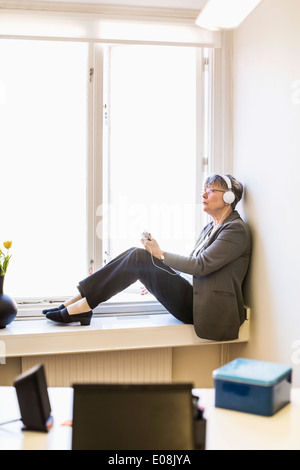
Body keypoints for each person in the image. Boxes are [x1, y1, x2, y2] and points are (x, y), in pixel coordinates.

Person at [44, 174, 251, 341]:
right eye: (203, 190)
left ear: (228, 198)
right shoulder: (210, 227)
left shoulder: (235, 230)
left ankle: (82, 306)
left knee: (140, 257)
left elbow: (201, 266)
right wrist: (157, 275)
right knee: (138, 255)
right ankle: (77, 300)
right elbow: (193, 263)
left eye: (210, 190)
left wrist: (159, 254)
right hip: (194, 296)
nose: (203, 195)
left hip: (206, 308)